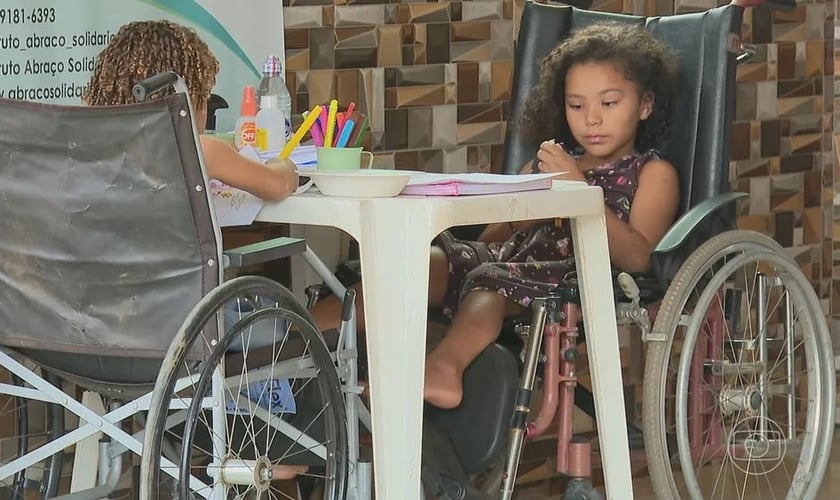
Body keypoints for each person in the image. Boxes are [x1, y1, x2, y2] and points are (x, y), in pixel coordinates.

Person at [310, 22, 682, 409]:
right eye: (577, 105)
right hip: (510, 257)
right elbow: (501, 232)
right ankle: (291, 335)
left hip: (572, 275)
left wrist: (579, 191)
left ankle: (444, 369)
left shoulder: (652, 173)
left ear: (645, 104)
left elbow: (638, 257)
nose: (591, 119)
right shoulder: (556, 159)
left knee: (489, 282)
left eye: (608, 103)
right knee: (417, 266)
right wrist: (527, 194)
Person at [82, 20, 298, 202]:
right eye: (204, 94)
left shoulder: (87, 145)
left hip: (95, 252)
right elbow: (279, 186)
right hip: (174, 253)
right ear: (187, 97)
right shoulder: (200, 151)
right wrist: (283, 164)